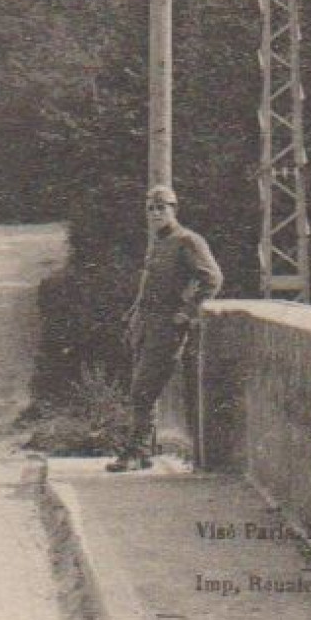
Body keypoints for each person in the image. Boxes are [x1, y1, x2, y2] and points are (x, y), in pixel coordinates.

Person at [108, 185, 224, 473]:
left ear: (174, 209)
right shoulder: (159, 242)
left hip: (167, 329)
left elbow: (212, 279)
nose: (157, 213)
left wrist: (187, 312)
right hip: (147, 325)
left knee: (142, 390)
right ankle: (144, 452)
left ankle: (135, 453)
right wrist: (135, 314)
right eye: (151, 208)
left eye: (162, 207)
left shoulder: (188, 241)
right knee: (143, 389)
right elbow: (150, 286)